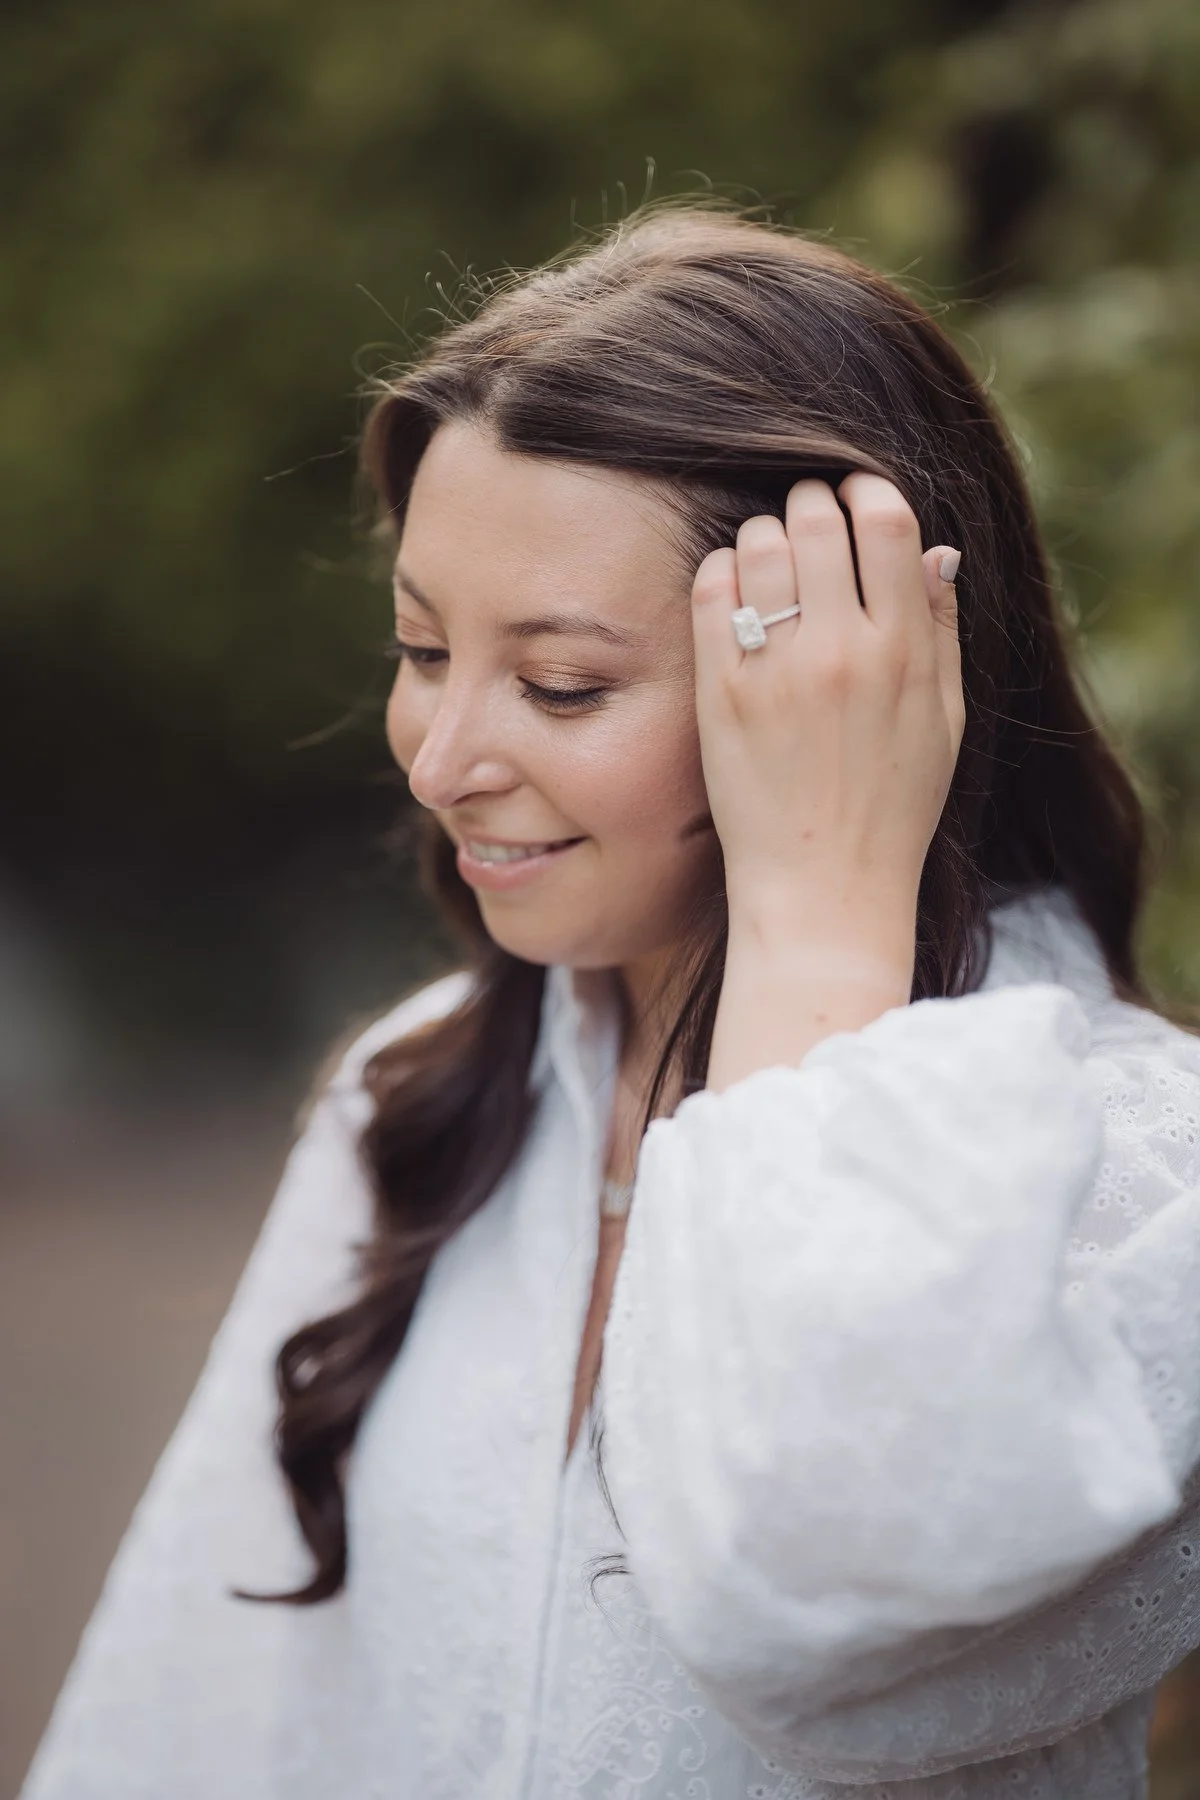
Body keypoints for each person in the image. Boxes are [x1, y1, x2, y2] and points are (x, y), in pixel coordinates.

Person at [21, 206, 1200, 1800]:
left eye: (563, 685)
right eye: (424, 648)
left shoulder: (1139, 1174)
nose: (442, 762)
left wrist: (824, 909)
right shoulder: (424, 1088)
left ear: (847, 679)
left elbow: (815, 1616)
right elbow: (193, 1708)